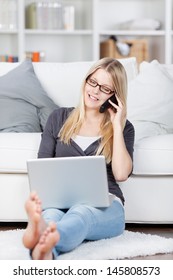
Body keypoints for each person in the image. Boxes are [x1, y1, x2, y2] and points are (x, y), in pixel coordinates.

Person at [23, 57, 135, 260]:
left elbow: (121, 174)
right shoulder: (58, 118)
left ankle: (43, 238)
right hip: (59, 202)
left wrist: (117, 126)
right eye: (93, 82)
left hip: (106, 206)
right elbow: (43, 168)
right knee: (51, 215)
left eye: (105, 88)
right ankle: (45, 250)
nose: (95, 91)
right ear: (86, 80)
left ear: (115, 96)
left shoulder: (124, 128)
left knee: (81, 214)